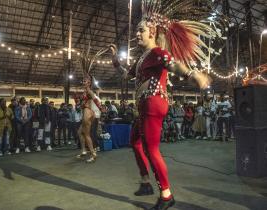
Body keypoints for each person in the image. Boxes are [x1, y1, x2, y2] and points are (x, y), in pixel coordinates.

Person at [109, 0, 213, 208]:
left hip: (153, 104)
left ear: (152, 31)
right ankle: (146, 182)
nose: (136, 34)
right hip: (144, 107)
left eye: (141, 30)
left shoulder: (158, 53)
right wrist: (115, 61)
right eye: (137, 31)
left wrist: (194, 74)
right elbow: (125, 76)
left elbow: (173, 64)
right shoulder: (142, 59)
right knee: (136, 142)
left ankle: (166, 195)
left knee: (151, 149)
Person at [77, 75, 102, 163]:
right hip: (87, 112)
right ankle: (84, 150)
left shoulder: (89, 90)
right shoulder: (85, 91)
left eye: (85, 81)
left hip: (88, 113)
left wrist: (101, 108)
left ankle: (93, 153)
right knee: (80, 132)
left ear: (89, 83)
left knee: (87, 135)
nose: (83, 82)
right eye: (83, 81)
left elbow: (95, 100)